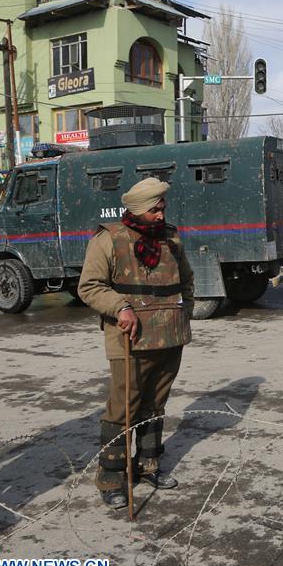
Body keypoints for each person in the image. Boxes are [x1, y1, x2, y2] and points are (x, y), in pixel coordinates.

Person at [78, 177, 194, 510]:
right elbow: (90, 287)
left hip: (170, 334)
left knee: (155, 404)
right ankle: (112, 478)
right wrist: (121, 307)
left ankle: (148, 466)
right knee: (123, 406)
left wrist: (183, 310)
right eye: (154, 210)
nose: (161, 215)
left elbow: (186, 279)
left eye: (162, 208)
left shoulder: (172, 238)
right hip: (129, 336)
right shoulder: (109, 240)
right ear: (138, 209)